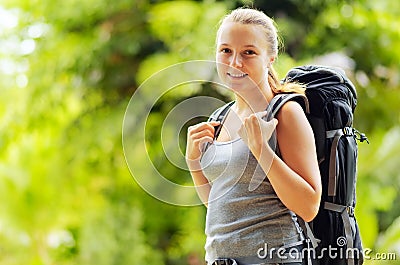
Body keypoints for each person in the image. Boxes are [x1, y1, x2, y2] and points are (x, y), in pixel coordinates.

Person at [185, 7, 322, 265]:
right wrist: (193, 163)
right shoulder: (220, 117)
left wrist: (262, 150)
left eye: (248, 52)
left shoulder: (284, 112)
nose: (235, 62)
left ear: (270, 58)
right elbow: (223, 207)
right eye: (226, 51)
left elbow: (308, 206)